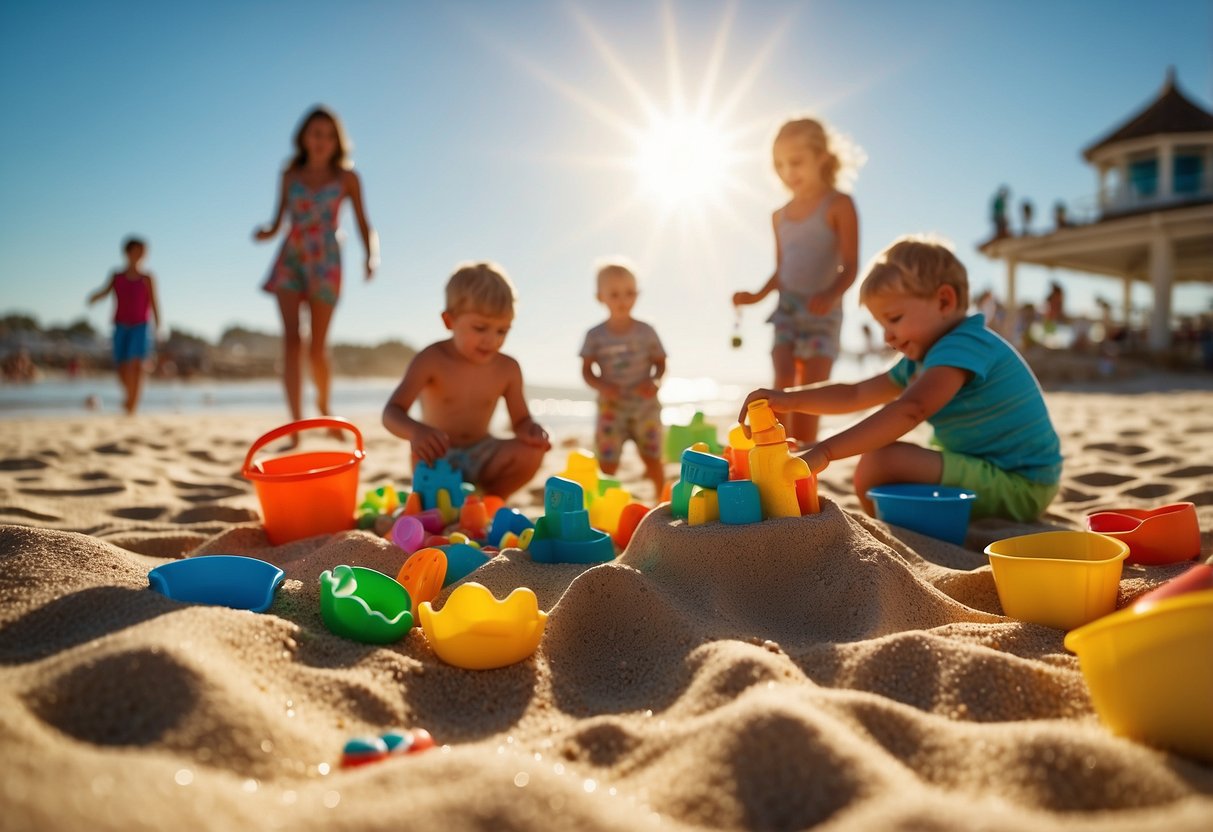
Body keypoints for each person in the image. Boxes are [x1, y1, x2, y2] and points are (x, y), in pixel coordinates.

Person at [738, 237, 1061, 523]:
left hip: (1022, 484)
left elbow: (912, 409)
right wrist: (790, 399)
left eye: (894, 319)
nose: (888, 335)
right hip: (987, 470)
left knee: (881, 461)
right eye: (882, 324)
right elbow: (855, 394)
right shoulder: (921, 359)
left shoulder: (965, 344)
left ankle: (909, 526)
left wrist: (826, 452)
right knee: (881, 460)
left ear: (944, 301)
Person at [731, 118, 860, 447]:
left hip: (822, 311)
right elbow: (781, 270)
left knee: (810, 393)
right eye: (780, 164)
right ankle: (778, 452)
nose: (788, 172)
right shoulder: (780, 216)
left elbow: (851, 264)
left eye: (797, 161)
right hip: (787, 308)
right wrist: (756, 296)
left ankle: (805, 460)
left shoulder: (838, 204)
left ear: (822, 157)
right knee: (783, 381)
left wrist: (831, 294)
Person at [254, 106, 378, 434]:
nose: (321, 141)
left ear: (337, 141)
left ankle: (323, 404)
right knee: (292, 341)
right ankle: (294, 423)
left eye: (328, 135)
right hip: (293, 256)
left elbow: (366, 224)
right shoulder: (289, 174)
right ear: (304, 137)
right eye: (315, 134)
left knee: (317, 347)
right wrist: (266, 232)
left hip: (326, 261)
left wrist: (371, 256)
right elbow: (278, 219)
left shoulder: (348, 177)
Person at [382, 263, 550, 500]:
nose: (492, 340)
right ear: (449, 320)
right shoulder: (431, 359)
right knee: (423, 454)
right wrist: (416, 432)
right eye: (480, 328)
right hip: (437, 453)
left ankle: (489, 501)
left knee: (531, 451)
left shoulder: (507, 368)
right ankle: (441, 502)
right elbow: (391, 412)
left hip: (484, 452)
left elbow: (520, 420)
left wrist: (531, 431)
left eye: (502, 331)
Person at [580, 261, 667, 495]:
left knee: (652, 457)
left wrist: (655, 381)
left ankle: (661, 499)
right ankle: (604, 503)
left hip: (644, 406)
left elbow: (660, 363)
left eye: (629, 293)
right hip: (611, 408)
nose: (622, 300)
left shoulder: (646, 331)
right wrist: (602, 385)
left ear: (637, 295)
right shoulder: (595, 335)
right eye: (614, 294)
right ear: (600, 297)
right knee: (608, 462)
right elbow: (586, 371)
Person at [87, 236, 160, 414]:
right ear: (128, 252)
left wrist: (158, 324)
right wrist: (95, 297)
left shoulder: (147, 277)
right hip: (120, 325)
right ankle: (129, 398)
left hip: (141, 326)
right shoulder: (117, 275)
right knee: (122, 368)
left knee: (136, 365)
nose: (142, 254)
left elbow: (154, 302)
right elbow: (106, 291)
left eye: (144, 251)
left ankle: (132, 405)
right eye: (139, 250)